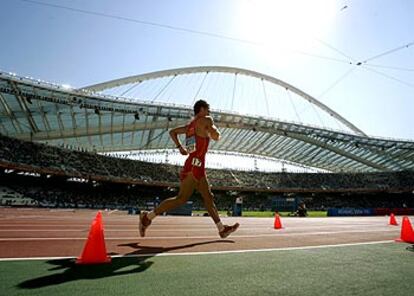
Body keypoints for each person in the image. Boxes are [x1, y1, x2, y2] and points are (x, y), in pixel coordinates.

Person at [139, 99, 239, 238]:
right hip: (194, 167)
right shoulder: (206, 119)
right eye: (208, 109)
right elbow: (216, 136)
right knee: (181, 199)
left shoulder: (190, 126)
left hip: (196, 165)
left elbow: (172, 132)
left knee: (208, 197)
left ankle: (221, 229)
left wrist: (180, 147)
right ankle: (147, 217)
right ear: (202, 109)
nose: (210, 112)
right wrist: (214, 131)